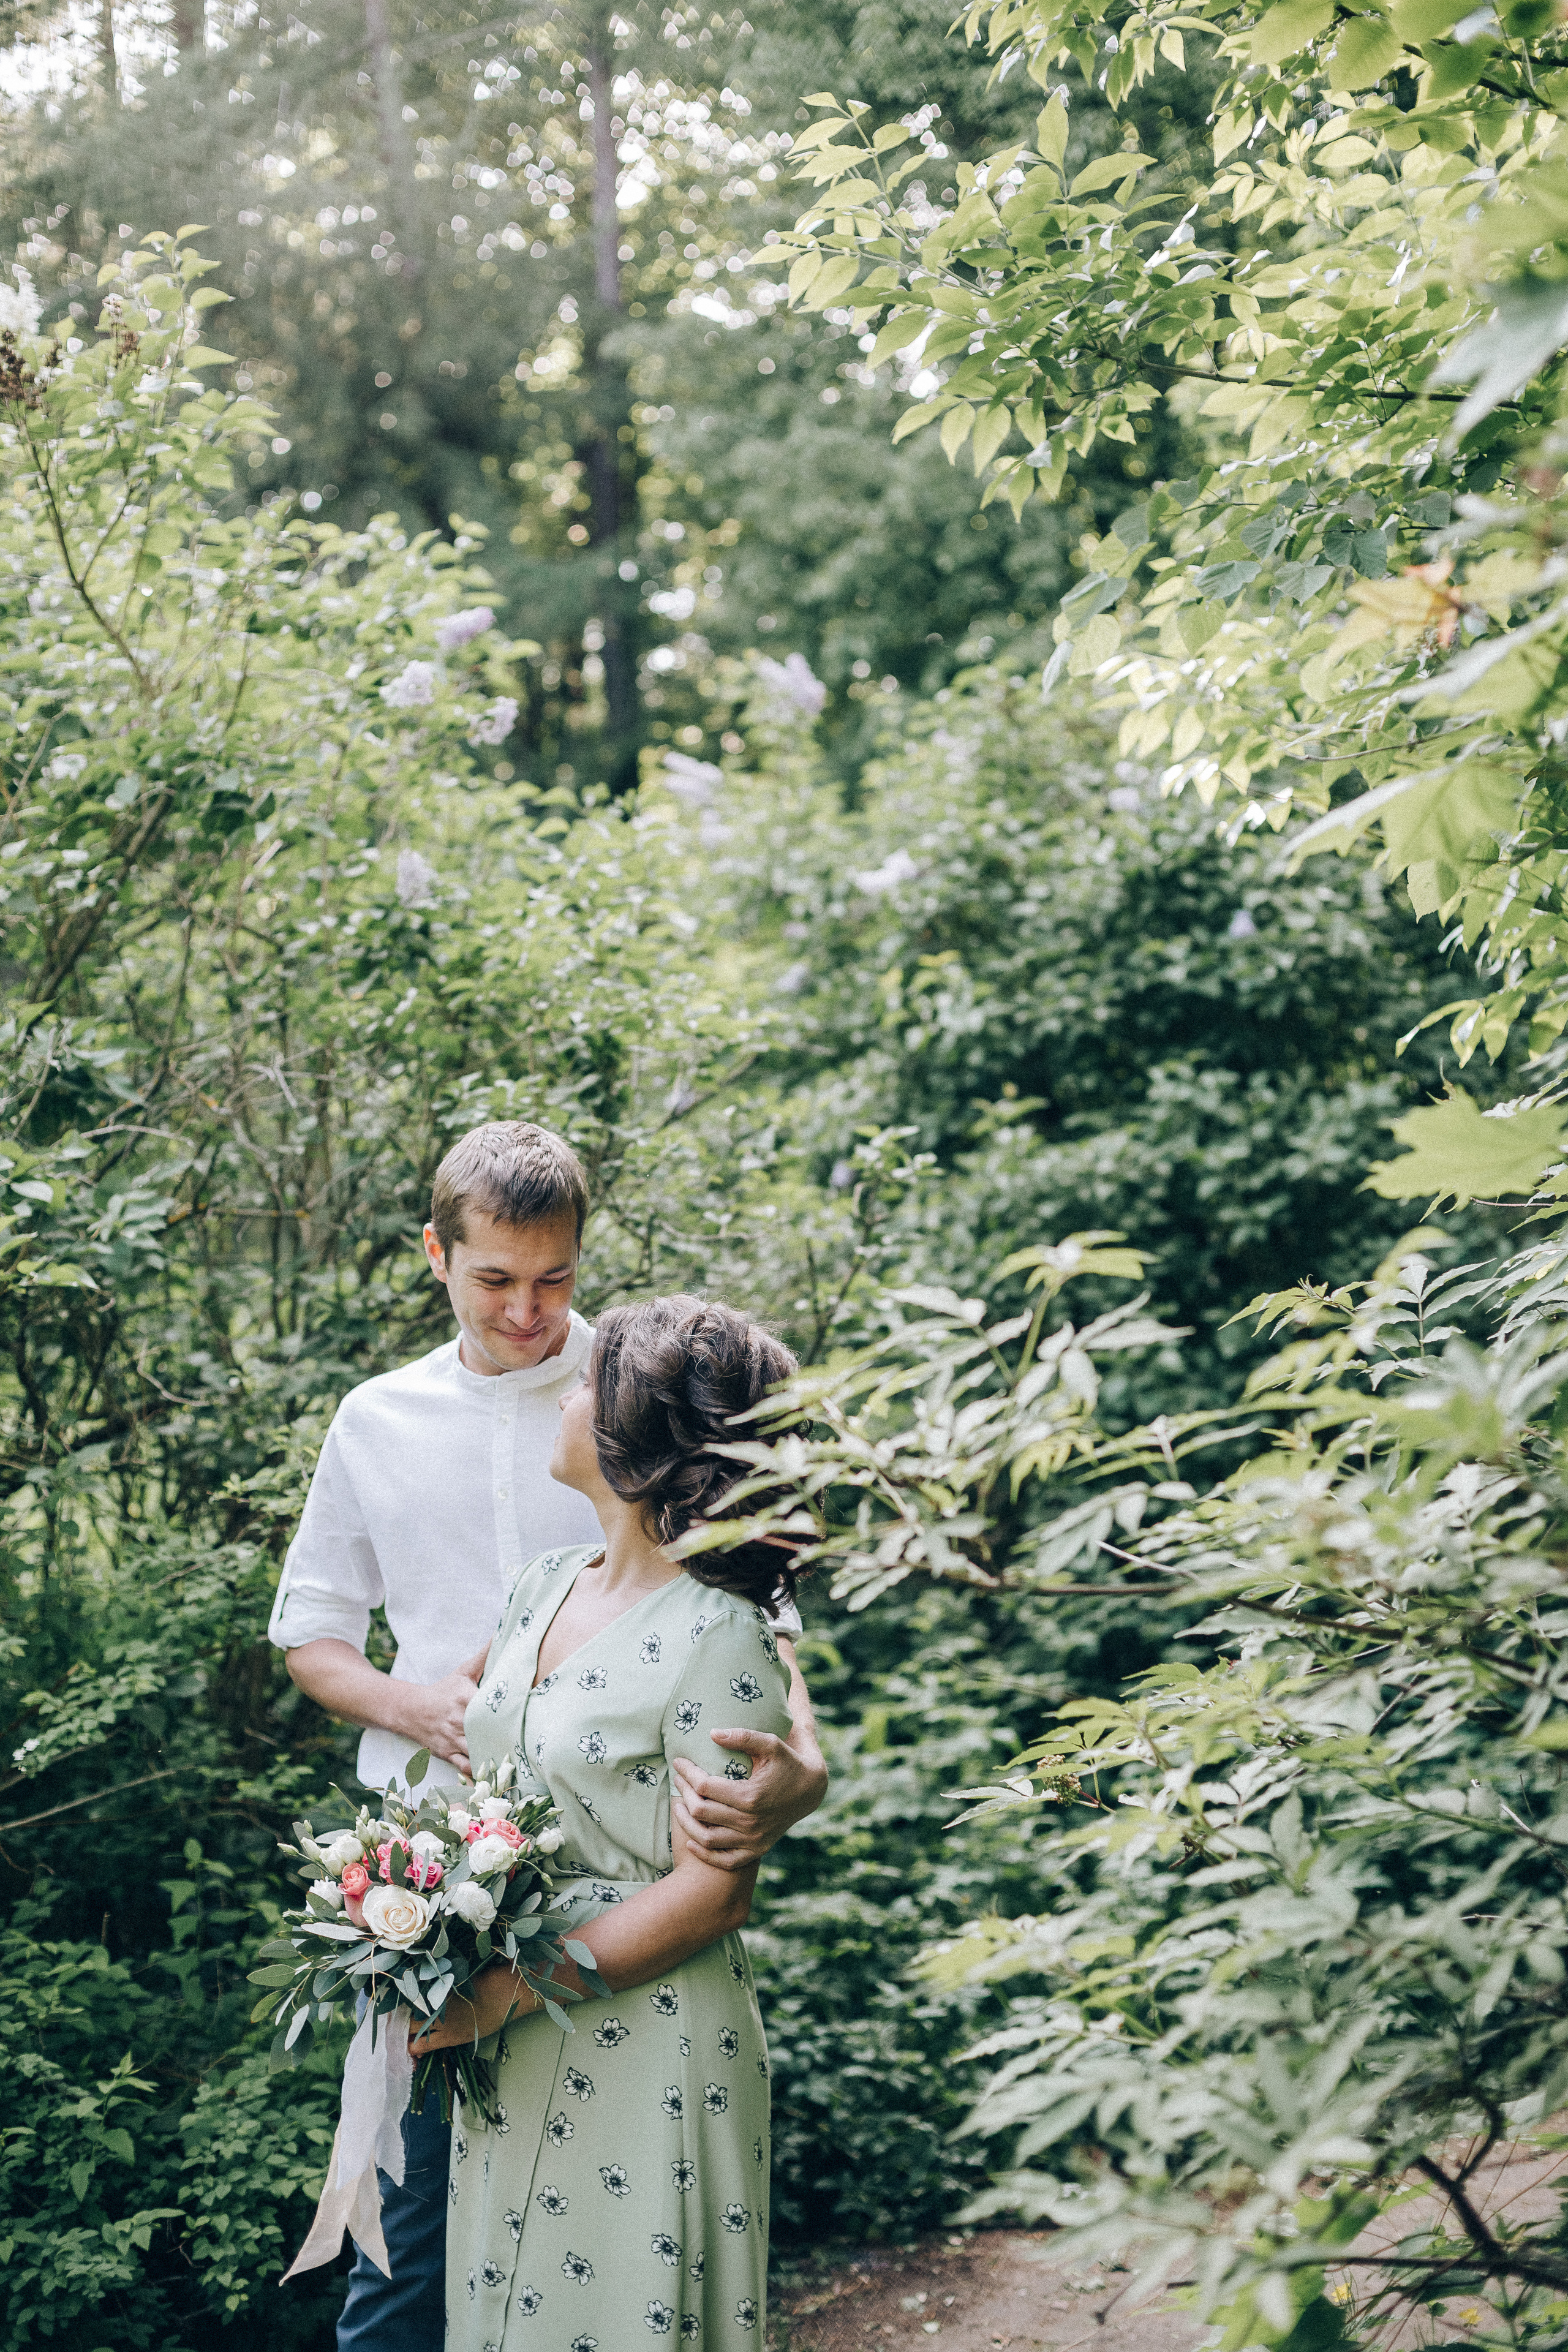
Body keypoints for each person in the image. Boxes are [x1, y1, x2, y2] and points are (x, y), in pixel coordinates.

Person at [268, 1124, 827, 2352]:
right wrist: (416, 1716)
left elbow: (753, 1619)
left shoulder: (643, 1382)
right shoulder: (382, 1424)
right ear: (438, 1256)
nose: (532, 1311)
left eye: (557, 1278)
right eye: (496, 1280)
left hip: (611, 1952)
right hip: (435, 1905)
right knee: (413, 2270)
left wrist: (805, 1766)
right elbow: (308, 1635)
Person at [413, 1295, 809, 2350]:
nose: (567, 1390)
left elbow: (715, 1888)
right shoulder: (542, 1584)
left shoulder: (724, 1632)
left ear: (638, 1437)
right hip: (504, 2025)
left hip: (642, 2030)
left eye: (590, 1381)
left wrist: (504, 1996)